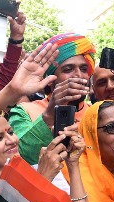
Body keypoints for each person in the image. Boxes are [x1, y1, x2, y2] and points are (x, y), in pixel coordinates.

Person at [9, 32, 96, 163]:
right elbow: (21, 158)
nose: (79, 75)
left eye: (84, 69)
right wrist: (49, 116)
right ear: (49, 79)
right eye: (68, 69)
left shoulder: (97, 113)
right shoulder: (24, 111)